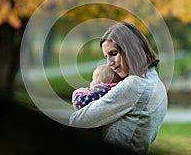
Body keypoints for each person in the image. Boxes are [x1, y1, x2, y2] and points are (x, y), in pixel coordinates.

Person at [69, 22, 168, 154]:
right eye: (106, 57)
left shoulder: (134, 86)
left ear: (131, 49)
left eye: (113, 53)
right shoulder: (156, 82)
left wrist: (93, 90)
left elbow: (77, 121)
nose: (109, 63)